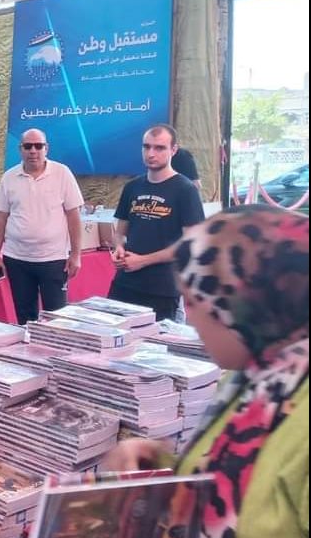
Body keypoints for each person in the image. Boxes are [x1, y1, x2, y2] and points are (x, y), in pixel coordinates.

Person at [103, 205, 308, 538]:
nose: (193, 320)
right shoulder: (256, 379)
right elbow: (238, 477)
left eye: (195, 302)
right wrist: (161, 463)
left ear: (240, 307)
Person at [109, 124, 205, 320]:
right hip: (124, 283)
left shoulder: (185, 190)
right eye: (146, 147)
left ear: (173, 150)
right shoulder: (132, 187)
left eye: (159, 148)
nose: (151, 153)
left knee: (155, 340)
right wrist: (118, 248)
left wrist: (143, 261)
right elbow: (120, 233)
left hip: (162, 289)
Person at [0, 128, 85, 324]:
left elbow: (73, 216)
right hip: (17, 260)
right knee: (25, 319)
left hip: (53, 260)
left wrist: (76, 255)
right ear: (20, 149)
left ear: (46, 148)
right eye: (28, 146)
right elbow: (0, 218)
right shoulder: (9, 178)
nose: (33, 151)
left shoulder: (62, 173)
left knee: (57, 319)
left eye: (38, 146)